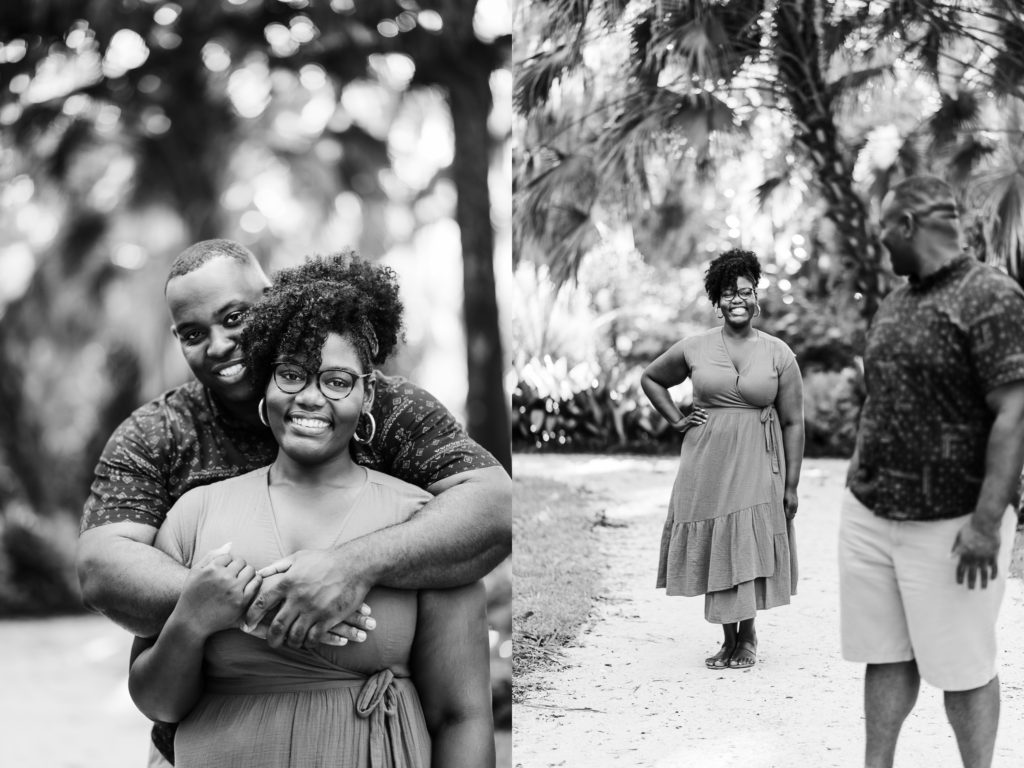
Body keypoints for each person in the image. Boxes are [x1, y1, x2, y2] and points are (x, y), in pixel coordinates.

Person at [77, 239, 511, 765]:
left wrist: (349, 567)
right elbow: (103, 567)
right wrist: (254, 601)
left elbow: (491, 505)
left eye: (235, 316)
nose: (217, 345)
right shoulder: (160, 438)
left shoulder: (393, 416)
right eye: (193, 334)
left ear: (271, 300)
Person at [839, 175, 1024, 768]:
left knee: (963, 667)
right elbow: (881, 395)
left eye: (885, 229)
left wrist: (987, 522)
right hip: (872, 513)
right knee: (886, 655)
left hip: (952, 523)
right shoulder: (897, 300)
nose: (880, 242)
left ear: (909, 225)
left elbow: (1015, 411)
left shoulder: (989, 295)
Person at [641, 248, 804, 670]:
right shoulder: (695, 348)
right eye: (728, 293)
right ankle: (727, 639)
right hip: (706, 462)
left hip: (757, 460)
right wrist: (676, 420)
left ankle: (747, 637)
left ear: (756, 299)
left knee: (744, 540)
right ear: (717, 302)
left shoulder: (779, 354)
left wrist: (791, 485)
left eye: (745, 292)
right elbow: (652, 378)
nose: (737, 299)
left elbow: (793, 423)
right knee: (720, 544)